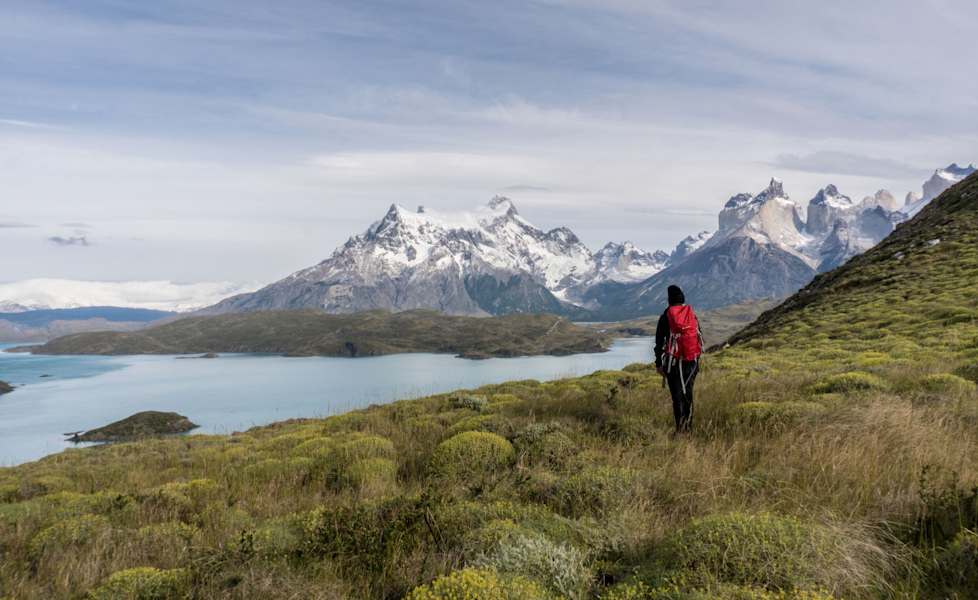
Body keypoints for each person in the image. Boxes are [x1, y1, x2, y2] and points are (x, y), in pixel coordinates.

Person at [654, 285, 703, 433]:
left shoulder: (666, 316)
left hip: (673, 363)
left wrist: (659, 363)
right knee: (688, 394)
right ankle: (689, 428)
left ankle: (680, 430)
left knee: (677, 397)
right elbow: (699, 338)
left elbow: (659, 342)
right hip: (691, 361)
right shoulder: (691, 315)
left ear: (669, 300)